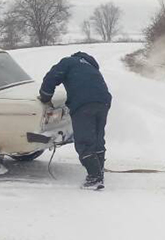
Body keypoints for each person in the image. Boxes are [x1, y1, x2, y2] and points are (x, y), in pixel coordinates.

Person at [38, 52, 112, 190]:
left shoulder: (68, 62)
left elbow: (51, 77)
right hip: (103, 102)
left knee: (84, 141)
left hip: (84, 104)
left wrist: (45, 96)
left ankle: (95, 178)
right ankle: (98, 171)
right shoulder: (90, 66)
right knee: (97, 138)